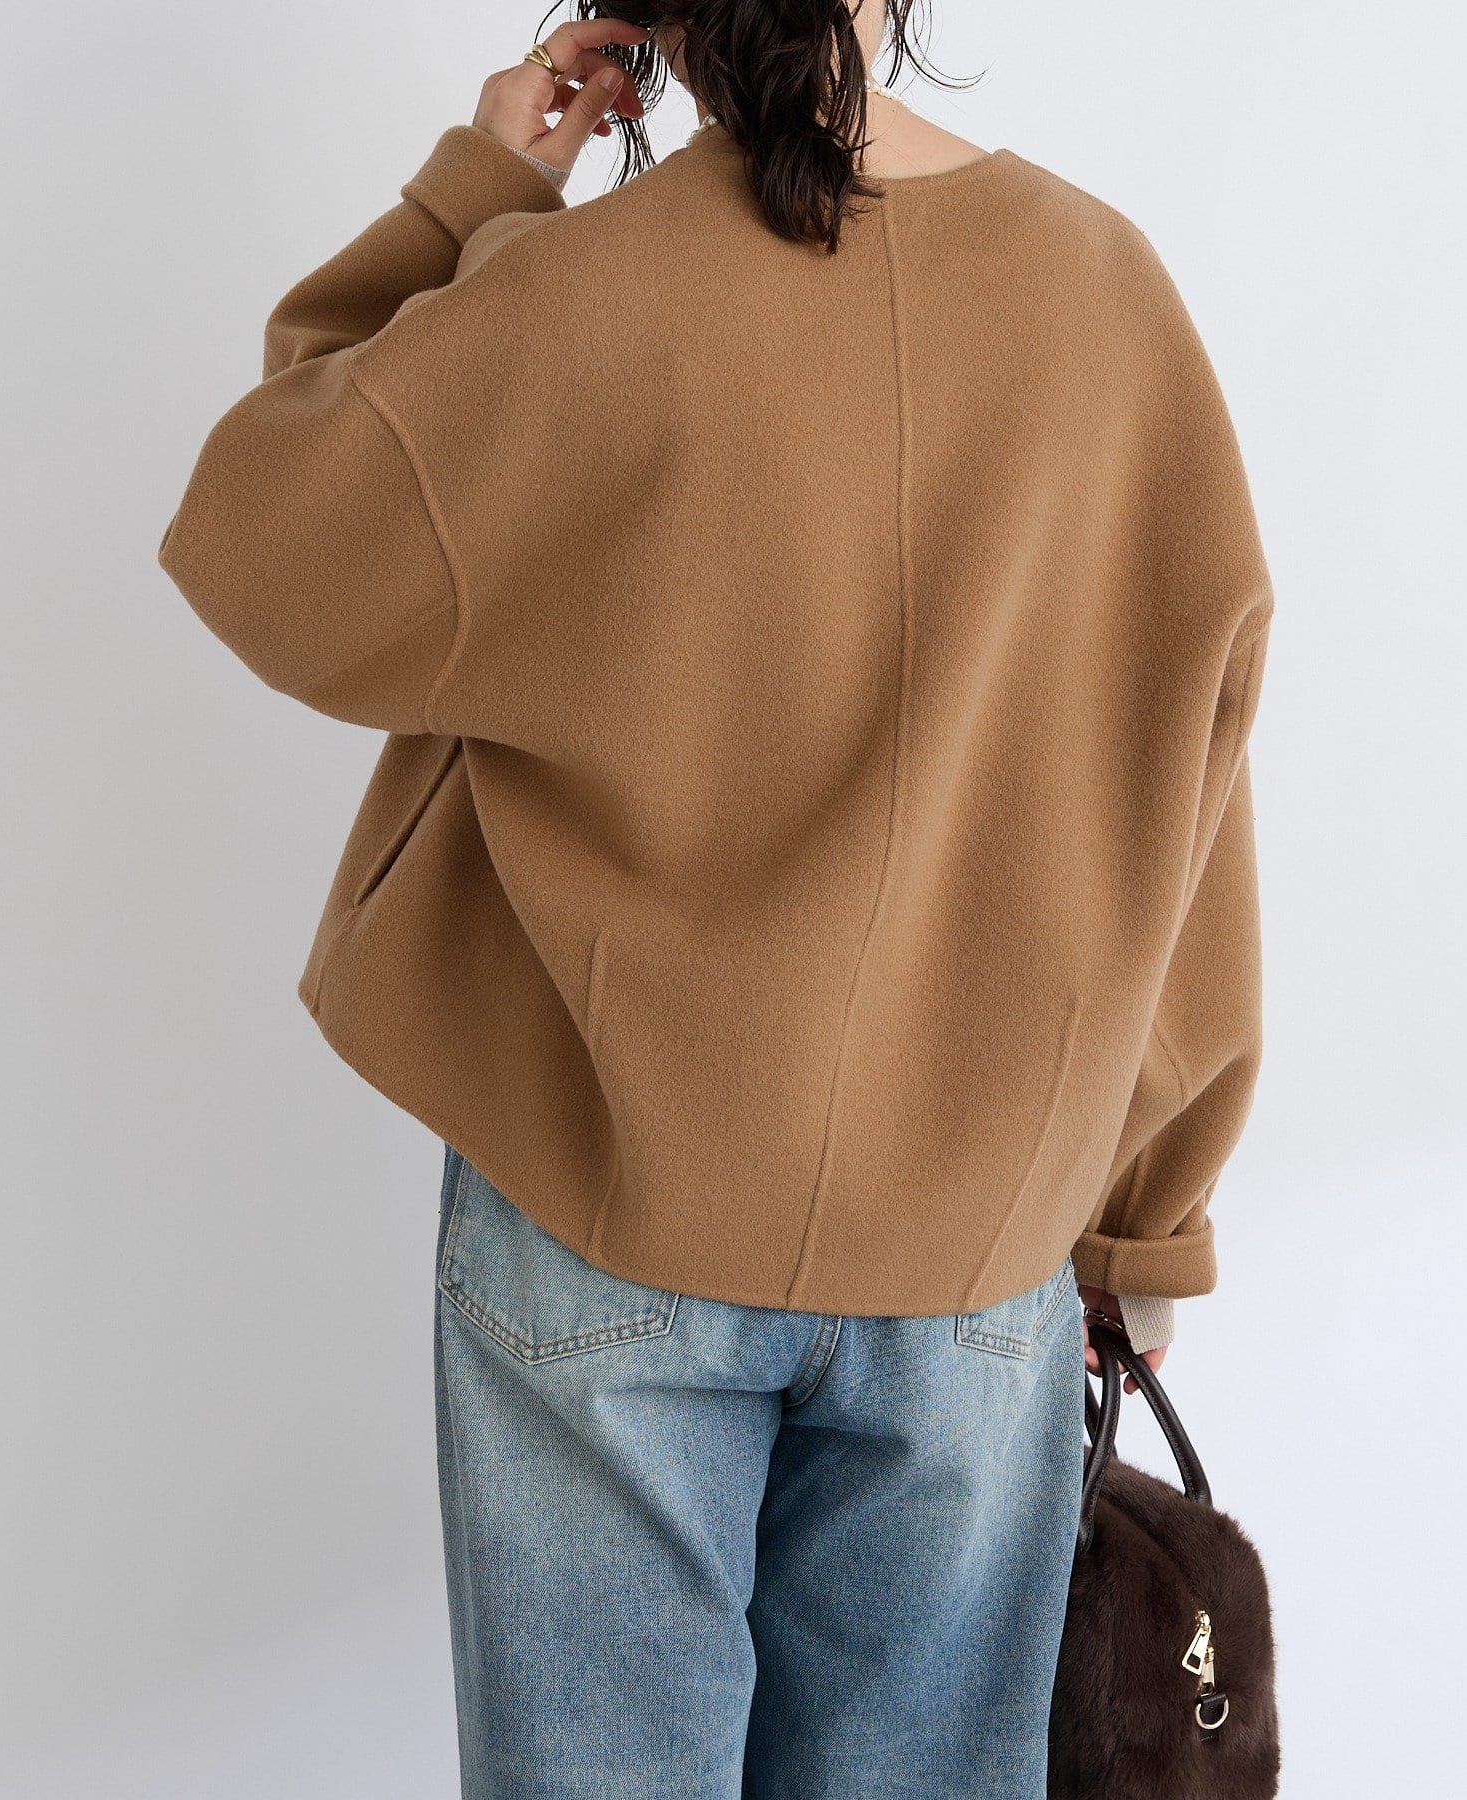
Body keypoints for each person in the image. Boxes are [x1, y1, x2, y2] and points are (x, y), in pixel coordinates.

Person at [156, 2, 1272, 1793]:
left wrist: (474, 194)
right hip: (973, 1254)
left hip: (601, 1201)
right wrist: (1148, 1228)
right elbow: (1186, 789)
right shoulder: (1110, 302)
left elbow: (264, 535)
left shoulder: (570, 296)